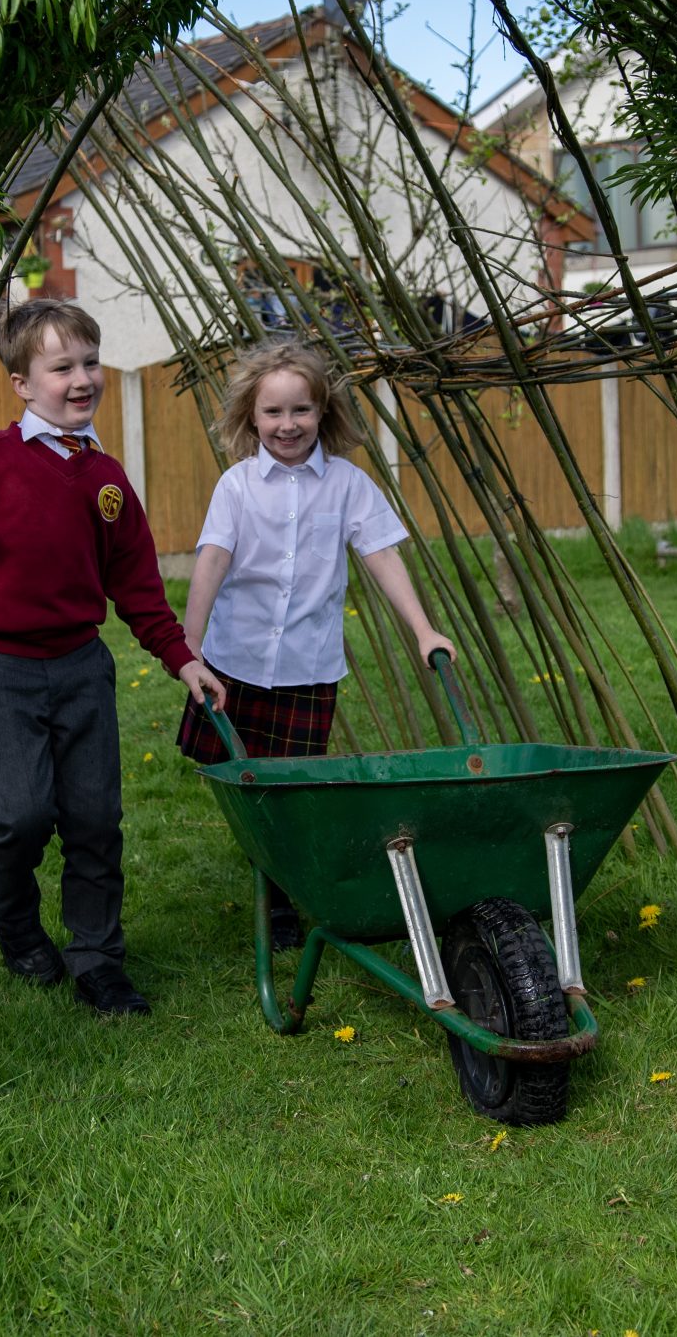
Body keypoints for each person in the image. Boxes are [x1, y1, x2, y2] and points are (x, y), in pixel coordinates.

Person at [0, 298, 225, 1017]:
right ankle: (15, 922)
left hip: (81, 669)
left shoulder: (107, 480)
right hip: (1, 670)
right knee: (21, 814)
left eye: (90, 363)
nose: (82, 379)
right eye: (61, 368)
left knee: (94, 819)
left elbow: (138, 587)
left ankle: (98, 961)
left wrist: (183, 659)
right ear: (21, 382)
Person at [178, 339, 455, 947]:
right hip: (235, 662)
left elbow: (381, 555)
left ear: (323, 411)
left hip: (307, 668)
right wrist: (189, 646)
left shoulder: (348, 486)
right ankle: (268, 873)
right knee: (246, 782)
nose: (288, 424)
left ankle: (279, 896)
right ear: (252, 416)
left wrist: (423, 628)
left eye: (301, 410)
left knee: (292, 789)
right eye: (273, 412)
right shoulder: (236, 486)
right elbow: (213, 560)